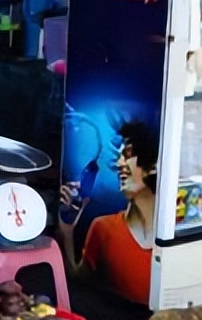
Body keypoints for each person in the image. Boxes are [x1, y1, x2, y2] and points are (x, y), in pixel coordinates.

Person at [58, 119, 159, 306]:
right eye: (119, 156)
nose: (120, 163)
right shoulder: (103, 228)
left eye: (128, 154)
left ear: (153, 165)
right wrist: (66, 232)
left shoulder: (179, 230)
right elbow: (79, 282)